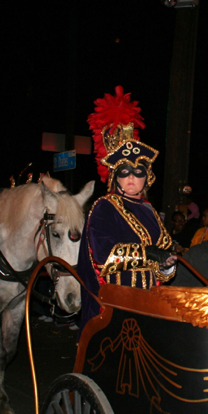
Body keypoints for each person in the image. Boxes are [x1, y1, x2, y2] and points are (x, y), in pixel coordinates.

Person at [78, 88, 177, 330]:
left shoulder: (149, 210)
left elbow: (162, 256)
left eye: (138, 171)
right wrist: (148, 254)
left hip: (149, 303)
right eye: (124, 171)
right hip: (116, 305)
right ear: (115, 177)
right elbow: (104, 257)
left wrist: (166, 264)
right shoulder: (104, 208)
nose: (132, 177)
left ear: (148, 177)